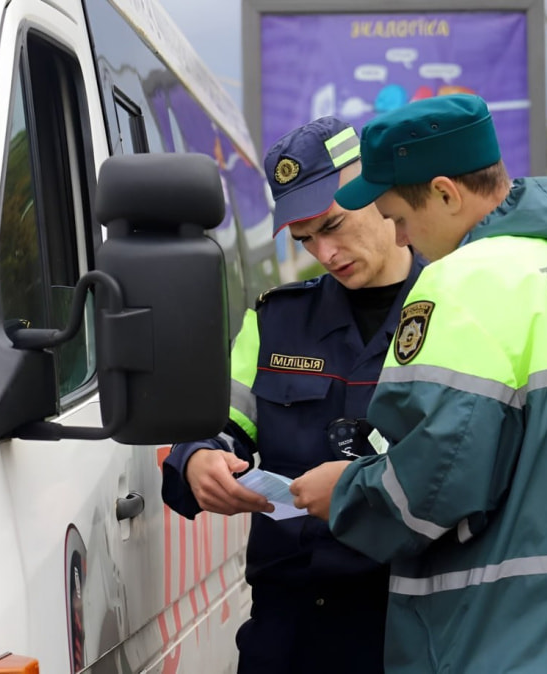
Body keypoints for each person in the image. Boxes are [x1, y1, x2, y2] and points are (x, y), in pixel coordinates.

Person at [289, 94, 547, 673]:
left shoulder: (465, 281)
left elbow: (432, 485)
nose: (399, 238)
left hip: (514, 639)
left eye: (397, 217)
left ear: (446, 193)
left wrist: (345, 492)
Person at [161, 116, 425, 674]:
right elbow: (221, 424)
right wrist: (200, 457)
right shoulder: (276, 322)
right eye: (305, 239)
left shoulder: (455, 308)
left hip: (412, 629)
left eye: (333, 224)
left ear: (376, 188)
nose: (324, 252)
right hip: (292, 632)